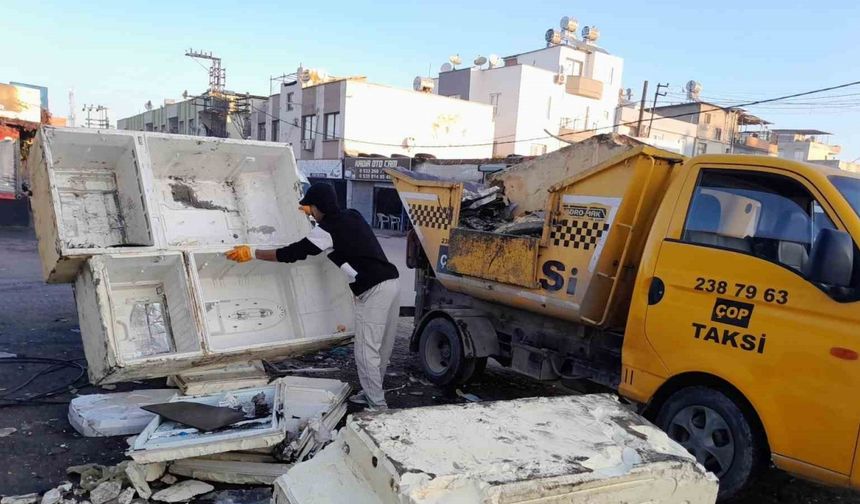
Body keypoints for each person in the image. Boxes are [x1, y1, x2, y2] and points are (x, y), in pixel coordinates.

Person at [224, 183, 400, 410]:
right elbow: (346, 239)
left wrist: (252, 253)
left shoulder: (326, 230)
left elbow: (291, 254)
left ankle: (378, 408)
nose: (308, 212)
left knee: (366, 351)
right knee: (382, 347)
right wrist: (313, 213)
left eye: (310, 207)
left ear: (318, 206)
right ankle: (371, 394)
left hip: (374, 290)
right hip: (392, 282)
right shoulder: (352, 215)